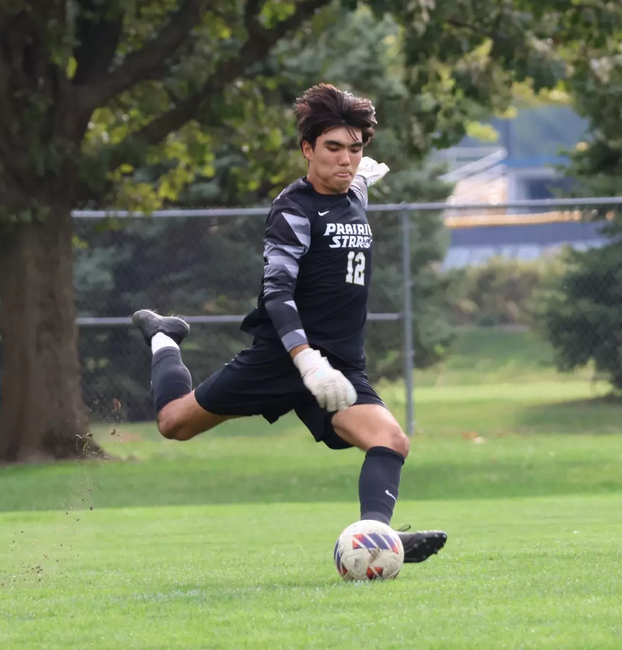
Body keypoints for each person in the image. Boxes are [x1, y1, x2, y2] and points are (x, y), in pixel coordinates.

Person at [132, 83, 447, 564]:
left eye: (355, 149)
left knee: (390, 440)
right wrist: (306, 361)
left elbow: (358, 180)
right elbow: (277, 294)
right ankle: (163, 337)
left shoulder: (355, 189)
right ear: (308, 150)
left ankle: (376, 538)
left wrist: (365, 175)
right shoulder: (294, 211)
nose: (346, 160)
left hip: (339, 367)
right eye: (333, 149)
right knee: (174, 423)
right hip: (281, 359)